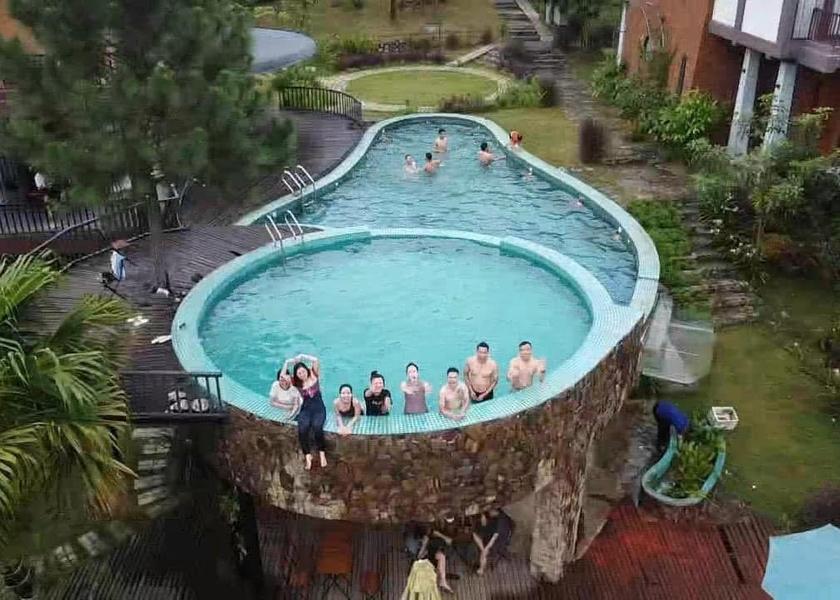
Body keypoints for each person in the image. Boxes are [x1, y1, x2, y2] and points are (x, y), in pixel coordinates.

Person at [290, 354, 327, 470]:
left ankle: (322, 453)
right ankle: (307, 455)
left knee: (317, 427)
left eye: (303, 371)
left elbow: (316, 360)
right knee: (302, 429)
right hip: (305, 409)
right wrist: (288, 363)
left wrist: (302, 356)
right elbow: (282, 375)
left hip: (319, 408)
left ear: (306, 369)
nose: (302, 374)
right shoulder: (297, 383)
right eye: (299, 373)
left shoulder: (314, 375)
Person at [405, 523, 455, 594]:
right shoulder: (412, 542)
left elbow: (445, 539)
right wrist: (424, 545)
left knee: (441, 556)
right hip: (419, 563)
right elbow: (418, 557)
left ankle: (442, 582)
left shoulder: (429, 537)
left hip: (428, 557)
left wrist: (441, 536)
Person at [472, 509, 514, 575]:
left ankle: (481, 569)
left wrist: (487, 548)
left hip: (499, 541)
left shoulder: (501, 520)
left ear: (494, 511)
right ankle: (482, 549)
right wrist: (483, 516)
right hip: (492, 535)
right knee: (475, 534)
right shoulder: (497, 516)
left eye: (489, 511)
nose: (488, 513)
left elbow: (494, 537)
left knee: (485, 550)